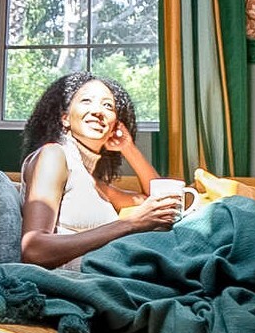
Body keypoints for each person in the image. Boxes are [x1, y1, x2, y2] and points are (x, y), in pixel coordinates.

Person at [18, 72, 181, 270]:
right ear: (65, 119)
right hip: (83, 278)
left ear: (115, 126)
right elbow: (34, 250)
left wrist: (129, 148)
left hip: (117, 269)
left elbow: (157, 199)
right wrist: (130, 224)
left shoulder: (97, 185)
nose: (98, 111)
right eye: (86, 101)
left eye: (108, 106)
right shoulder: (54, 155)